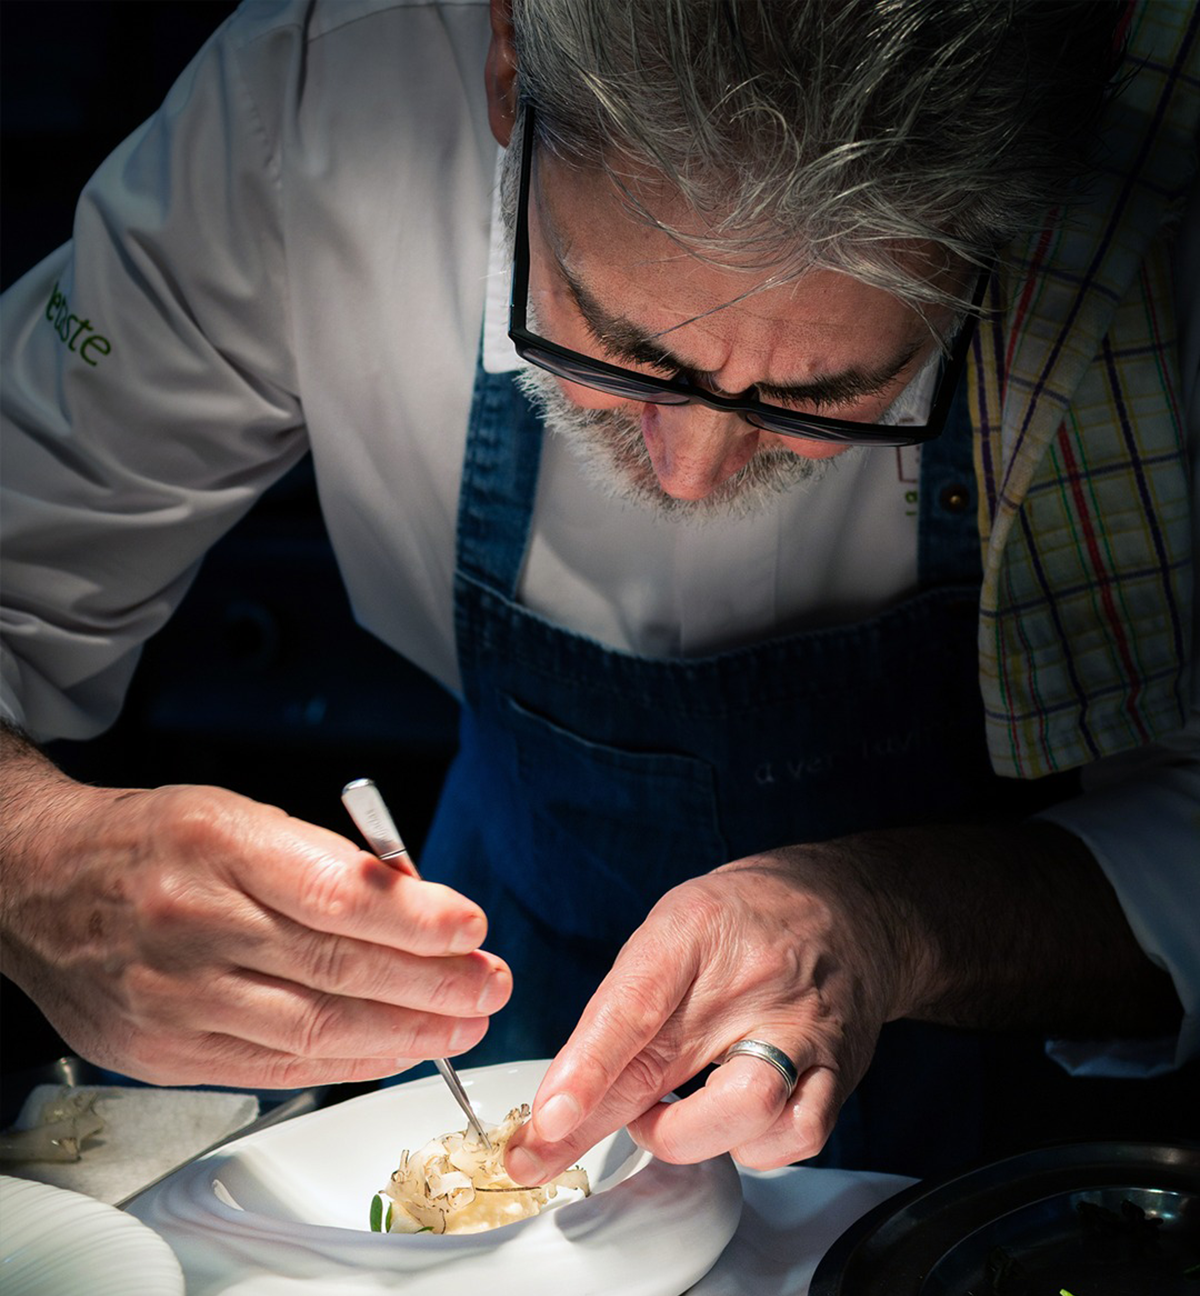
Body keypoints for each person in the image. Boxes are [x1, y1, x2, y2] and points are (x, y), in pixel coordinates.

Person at [1, 0, 1197, 1179]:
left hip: (1025, 1160)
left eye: (827, 397)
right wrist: (34, 860)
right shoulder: (320, 102)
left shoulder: (1148, 216)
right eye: (620, 347)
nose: (692, 473)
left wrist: (898, 921)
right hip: (508, 985)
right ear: (509, 58)